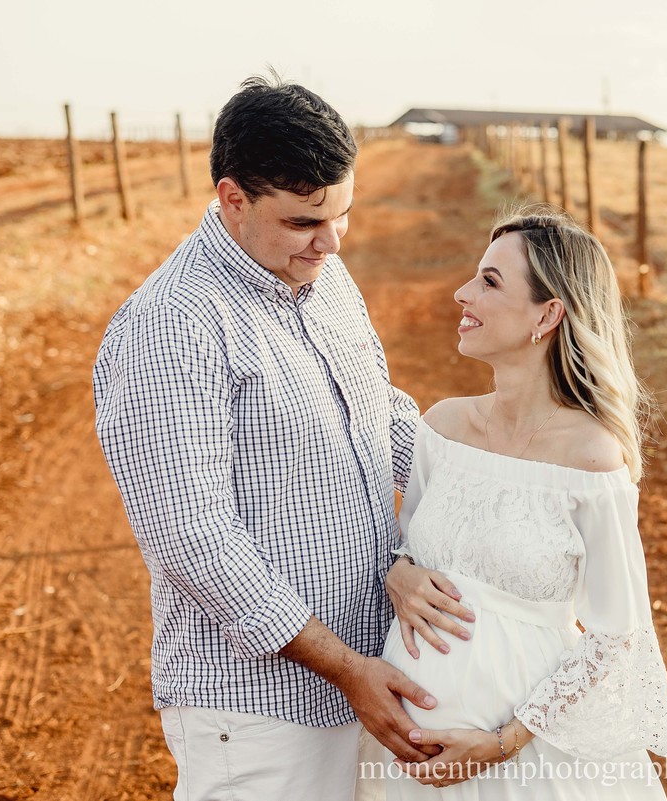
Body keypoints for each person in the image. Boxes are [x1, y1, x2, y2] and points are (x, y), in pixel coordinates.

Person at [93, 73, 441, 800]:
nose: (332, 240)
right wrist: (346, 666)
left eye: (342, 214)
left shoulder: (326, 275)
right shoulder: (172, 326)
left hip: (368, 675)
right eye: (305, 221)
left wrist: (502, 469)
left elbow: (382, 414)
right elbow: (195, 538)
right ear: (232, 198)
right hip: (255, 711)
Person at [356, 207, 667, 799]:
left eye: (489, 281)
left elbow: (619, 635)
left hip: (527, 760)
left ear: (548, 313)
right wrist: (399, 573)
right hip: (410, 756)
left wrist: (504, 740)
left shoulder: (591, 458)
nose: (463, 294)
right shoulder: (442, 427)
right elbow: (408, 546)